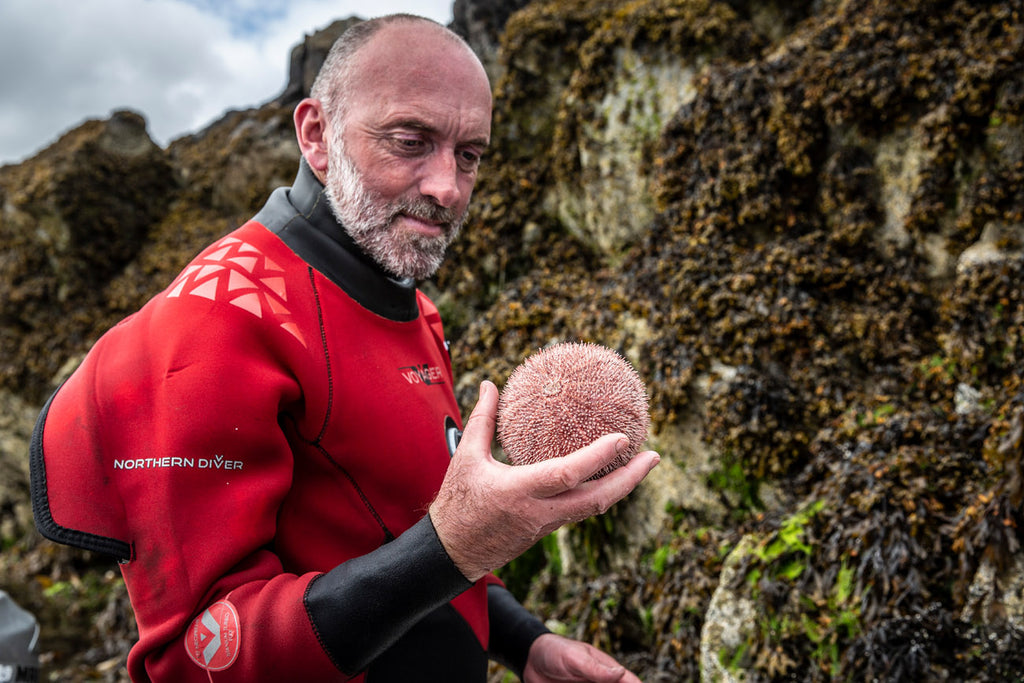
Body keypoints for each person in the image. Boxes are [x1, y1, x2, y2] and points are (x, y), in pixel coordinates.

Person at [29, 14, 660, 682]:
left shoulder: (410, 300)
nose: (447, 186)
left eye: (469, 154)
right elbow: (194, 657)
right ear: (316, 134)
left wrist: (526, 642)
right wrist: (452, 545)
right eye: (410, 141)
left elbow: (399, 528)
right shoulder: (207, 325)